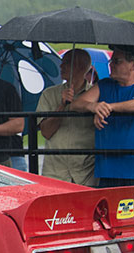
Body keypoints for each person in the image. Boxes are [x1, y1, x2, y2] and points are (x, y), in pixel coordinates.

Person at [73, 45, 134, 223]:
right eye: (111, 61)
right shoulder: (105, 85)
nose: (111, 65)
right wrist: (94, 106)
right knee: (110, 225)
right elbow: (77, 104)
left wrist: (109, 107)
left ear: (133, 64)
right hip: (109, 171)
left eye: (117, 61)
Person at [37, 49, 98, 186]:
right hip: (55, 173)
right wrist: (62, 106)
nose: (61, 66)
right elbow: (46, 132)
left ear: (82, 67)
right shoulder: (49, 94)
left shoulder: (95, 95)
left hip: (86, 173)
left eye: (67, 63)